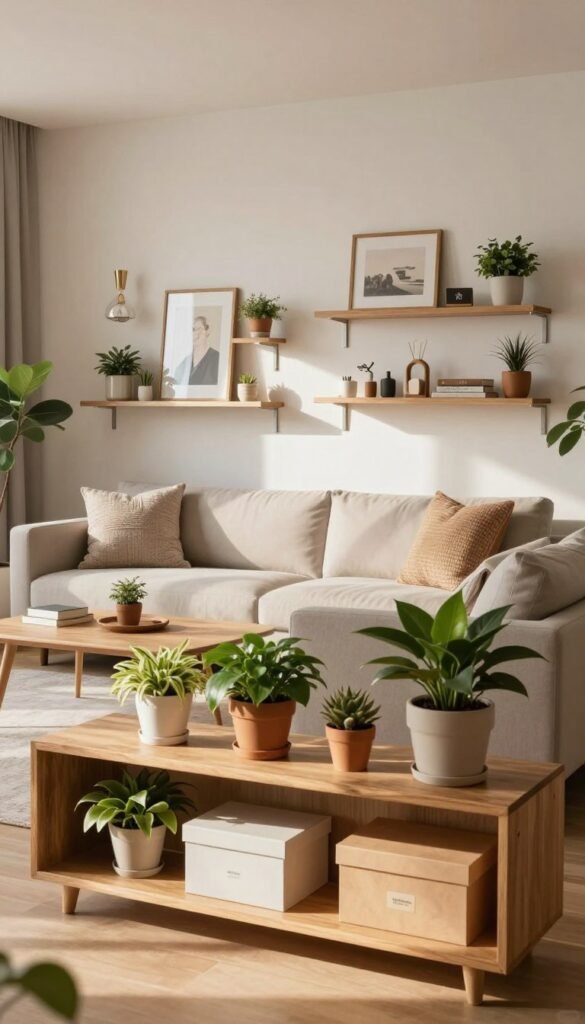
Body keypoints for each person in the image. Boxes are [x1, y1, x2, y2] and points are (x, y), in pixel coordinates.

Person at [175, 314, 219, 385]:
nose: (195, 334)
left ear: (207, 332)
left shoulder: (217, 359)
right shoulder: (182, 365)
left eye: (199, 329)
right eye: (193, 330)